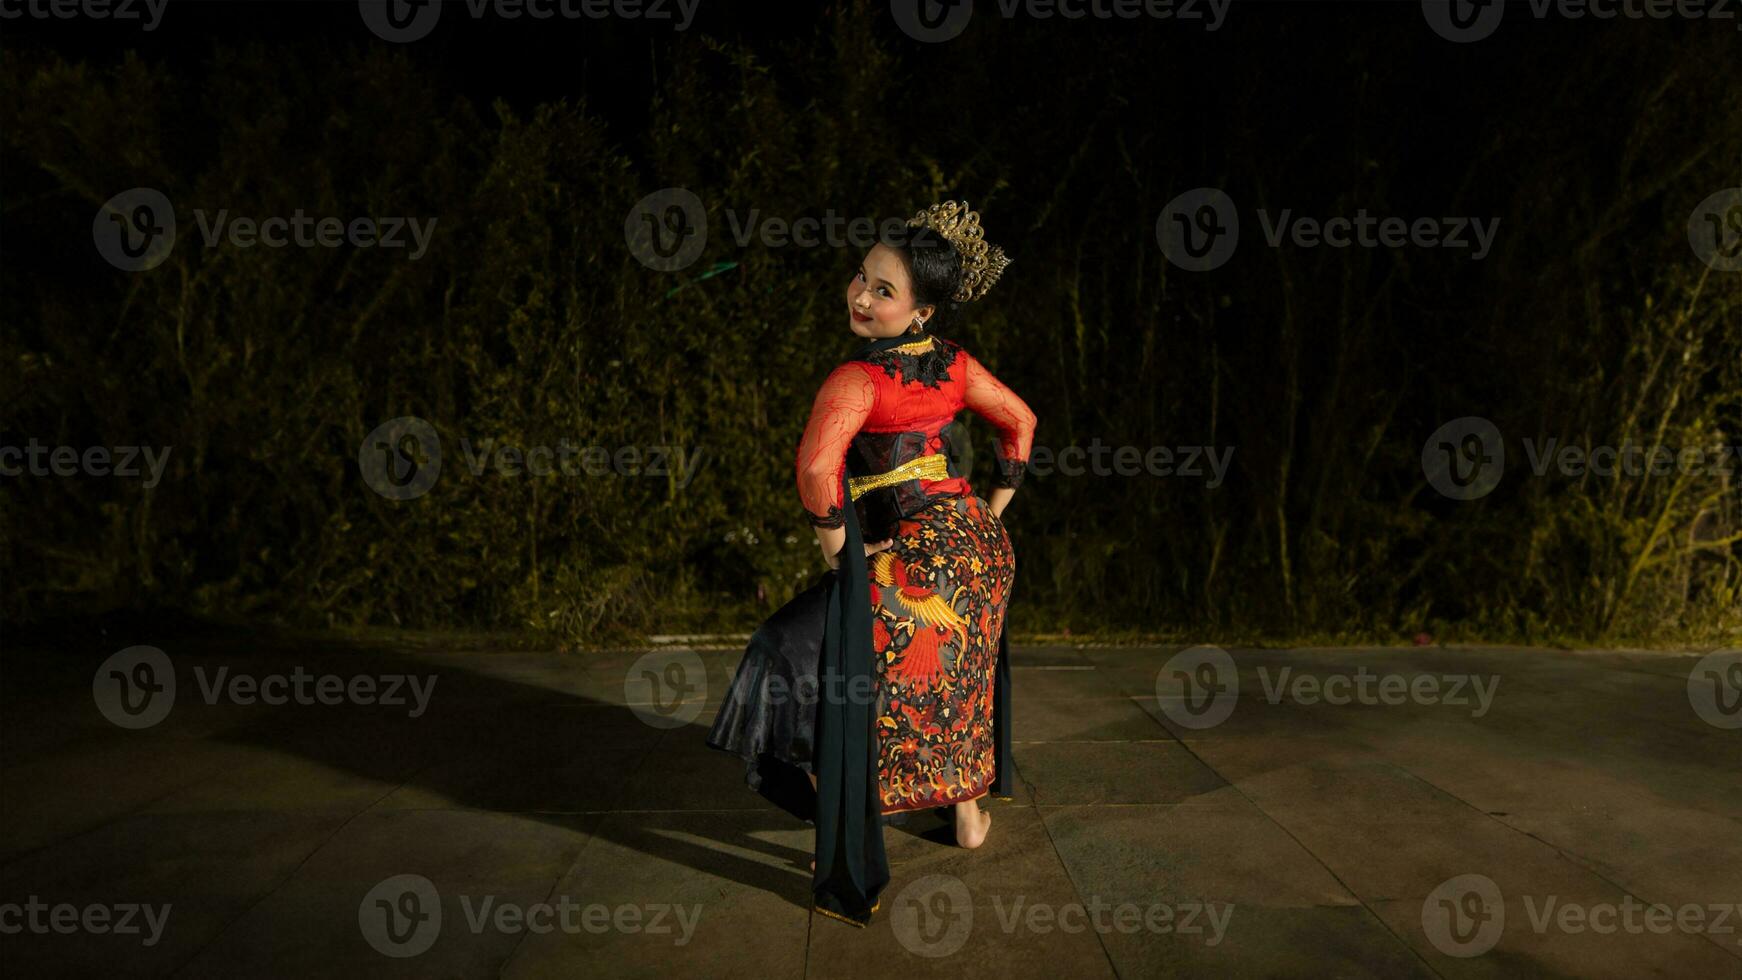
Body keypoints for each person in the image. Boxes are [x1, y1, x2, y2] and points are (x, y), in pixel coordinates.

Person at [706, 200, 1036, 927]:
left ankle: (836, 791)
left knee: (789, 646)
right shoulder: (953, 363)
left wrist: (845, 562)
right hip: (980, 546)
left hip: (916, 557)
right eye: (862, 277)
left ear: (919, 311)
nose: (861, 296)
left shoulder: (855, 381)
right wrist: (995, 508)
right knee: (957, 673)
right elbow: (1021, 420)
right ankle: (969, 816)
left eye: (884, 290)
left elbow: (816, 475)